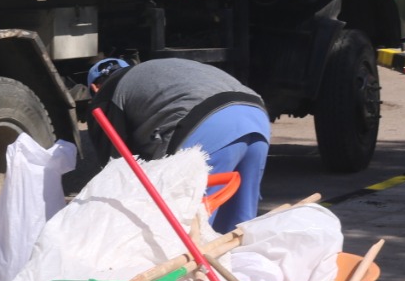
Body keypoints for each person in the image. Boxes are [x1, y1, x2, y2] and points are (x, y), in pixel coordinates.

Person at [87, 57, 270, 234]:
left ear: (95, 88)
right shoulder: (154, 71)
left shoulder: (107, 94)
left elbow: (115, 170)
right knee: (239, 227)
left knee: (191, 222)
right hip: (256, 116)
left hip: (208, 125)